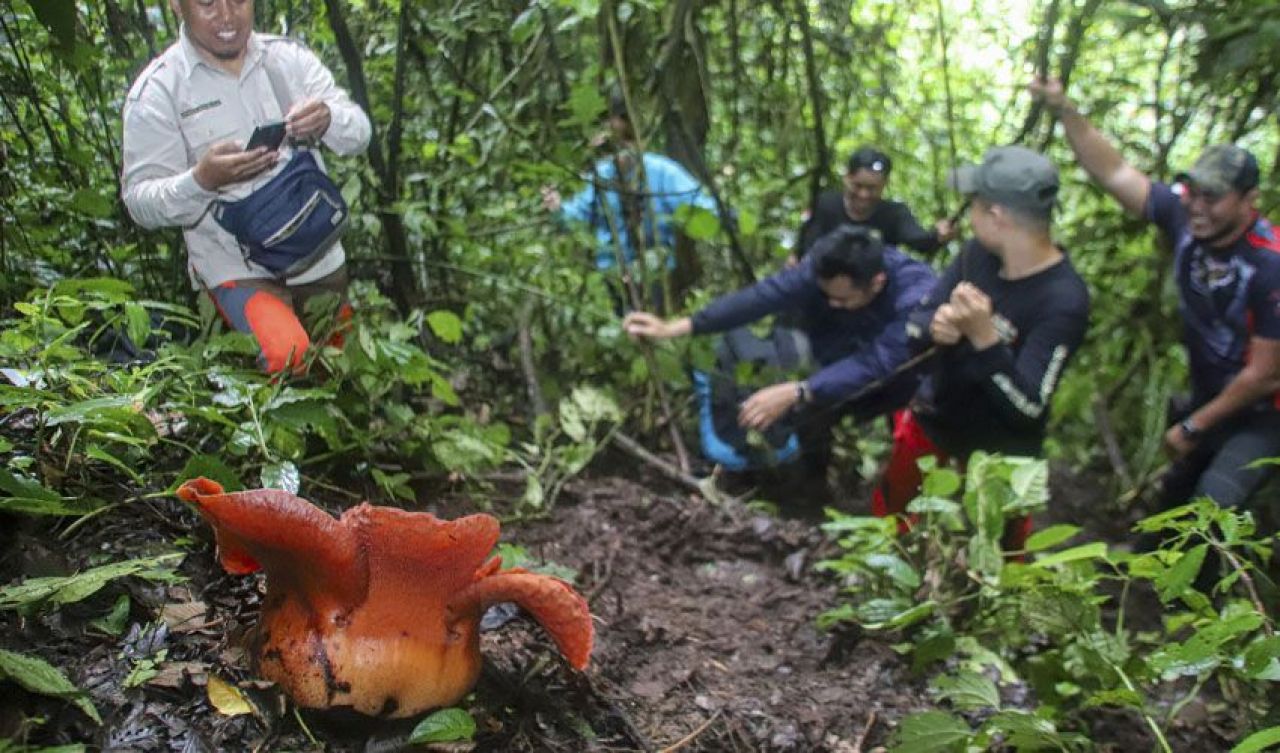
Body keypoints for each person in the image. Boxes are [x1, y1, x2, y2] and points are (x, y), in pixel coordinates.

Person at [1030, 77, 1280, 519]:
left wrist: (1192, 424)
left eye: (1213, 197)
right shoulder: (1185, 219)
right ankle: (1144, 580)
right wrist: (1064, 108)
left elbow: (1264, 375)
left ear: (1249, 201)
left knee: (1213, 512)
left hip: (1261, 413)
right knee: (1172, 503)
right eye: (1193, 192)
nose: (1197, 206)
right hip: (1211, 395)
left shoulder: (1268, 266)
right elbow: (1116, 173)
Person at [121, 0, 371, 374]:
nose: (226, 15)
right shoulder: (160, 91)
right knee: (288, 357)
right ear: (176, 5)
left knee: (340, 371)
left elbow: (360, 134)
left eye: (238, 0)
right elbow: (139, 201)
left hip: (316, 251)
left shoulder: (287, 59)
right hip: (235, 263)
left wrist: (328, 118)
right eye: (207, 3)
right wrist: (201, 181)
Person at [873, 146, 1091, 551]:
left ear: (997, 216)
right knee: (892, 533)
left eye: (974, 206)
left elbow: (1029, 407)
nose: (968, 217)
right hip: (934, 425)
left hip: (1001, 460)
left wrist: (985, 338)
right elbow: (919, 322)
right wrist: (936, 329)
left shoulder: (1063, 299)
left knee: (991, 568)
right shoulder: (976, 255)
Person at [623, 225, 937, 479]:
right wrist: (680, 326)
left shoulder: (916, 296)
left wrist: (800, 391)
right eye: (828, 296)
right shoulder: (827, 266)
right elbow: (765, 297)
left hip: (898, 378)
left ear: (877, 283)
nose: (833, 303)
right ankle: (785, 469)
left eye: (842, 299)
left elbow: (878, 362)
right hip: (833, 349)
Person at [541, 94, 720, 287]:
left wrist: (726, 217)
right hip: (611, 276)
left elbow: (699, 206)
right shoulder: (600, 176)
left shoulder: (662, 171)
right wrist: (557, 208)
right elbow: (576, 217)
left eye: (625, 142)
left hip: (656, 277)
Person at [792, 147, 959, 262]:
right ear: (847, 178)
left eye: (872, 188)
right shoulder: (826, 204)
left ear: (884, 184)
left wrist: (938, 235)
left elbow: (920, 241)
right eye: (858, 186)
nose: (864, 194)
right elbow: (806, 247)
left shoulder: (894, 214)